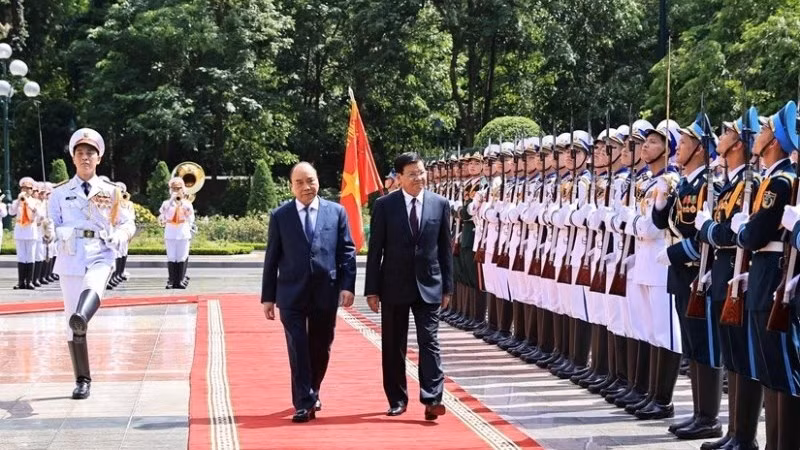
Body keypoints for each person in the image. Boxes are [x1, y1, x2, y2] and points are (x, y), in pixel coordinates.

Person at [261, 161, 356, 423]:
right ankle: (303, 402)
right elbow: (272, 258)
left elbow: (347, 251)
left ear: (318, 181)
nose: (306, 187)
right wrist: (268, 297)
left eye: (311, 181)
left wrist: (348, 286)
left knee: (320, 346)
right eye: (300, 182)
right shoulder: (280, 216)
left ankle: (313, 391)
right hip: (291, 293)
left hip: (325, 291)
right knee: (297, 346)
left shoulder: (335, 212)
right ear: (291, 186)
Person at [365, 152, 453, 421]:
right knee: (394, 344)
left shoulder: (440, 204)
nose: (419, 178)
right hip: (393, 284)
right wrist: (372, 289)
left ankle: (432, 398)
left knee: (430, 342)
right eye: (412, 174)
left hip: (429, 283)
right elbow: (375, 250)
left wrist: (447, 287)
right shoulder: (384, 206)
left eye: (422, 172)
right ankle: (397, 398)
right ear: (399, 177)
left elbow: (444, 249)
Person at [49, 128, 136, 399]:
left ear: (98, 159)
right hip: (71, 255)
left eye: (90, 153)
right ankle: (82, 379)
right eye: (80, 153)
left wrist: (120, 235)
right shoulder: (59, 193)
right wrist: (48, 230)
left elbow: (127, 223)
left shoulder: (111, 191)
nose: (85, 158)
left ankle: (83, 316)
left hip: (101, 251)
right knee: (70, 323)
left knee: (95, 286)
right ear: (73, 159)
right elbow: (52, 223)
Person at [158, 178, 194, 289]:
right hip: (171, 232)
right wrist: (171, 201)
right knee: (171, 257)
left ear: (183, 189)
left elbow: (191, 218)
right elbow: (162, 214)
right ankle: (172, 281)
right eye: (174, 188)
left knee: (181, 256)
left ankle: (180, 280)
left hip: (182, 231)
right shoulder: (166, 203)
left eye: (178, 188)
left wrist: (182, 205)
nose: (176, 190)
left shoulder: (187, 203)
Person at [10, 177, 42, 290]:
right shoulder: (17, 201)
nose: (25, 190)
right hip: (20, 230)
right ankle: (20, 282)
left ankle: (29, 281)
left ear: (32, 190)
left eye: (28, 188)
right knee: (21, 257)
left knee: (31, 256)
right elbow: (11, 212)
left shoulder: (36, 202)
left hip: (31, 230)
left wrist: (28, 203)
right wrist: (19, 201)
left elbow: (40, 215)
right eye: (23, 188)